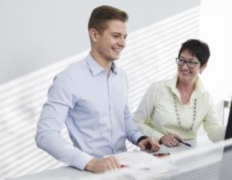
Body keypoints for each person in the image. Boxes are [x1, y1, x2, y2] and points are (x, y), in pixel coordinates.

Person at [35, 5, 159, 173]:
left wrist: (140, 138)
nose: (122, 43)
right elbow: (45, 135)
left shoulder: (121, 77)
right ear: (94, 35)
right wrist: (90, 163)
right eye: (116, 36)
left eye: (124, 37)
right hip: (90, 173)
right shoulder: (68, 79)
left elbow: (123, 115)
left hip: (125, 169)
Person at [133, 39, 224, 147]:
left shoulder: (206, 97)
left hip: (188, 156)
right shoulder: (157, 88)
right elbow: (136, 122)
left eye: (191, 62)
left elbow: (214, 133)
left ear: (203, 67)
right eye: (181, 60)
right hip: (158, 153)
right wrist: (161, 137)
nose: (184, 67)